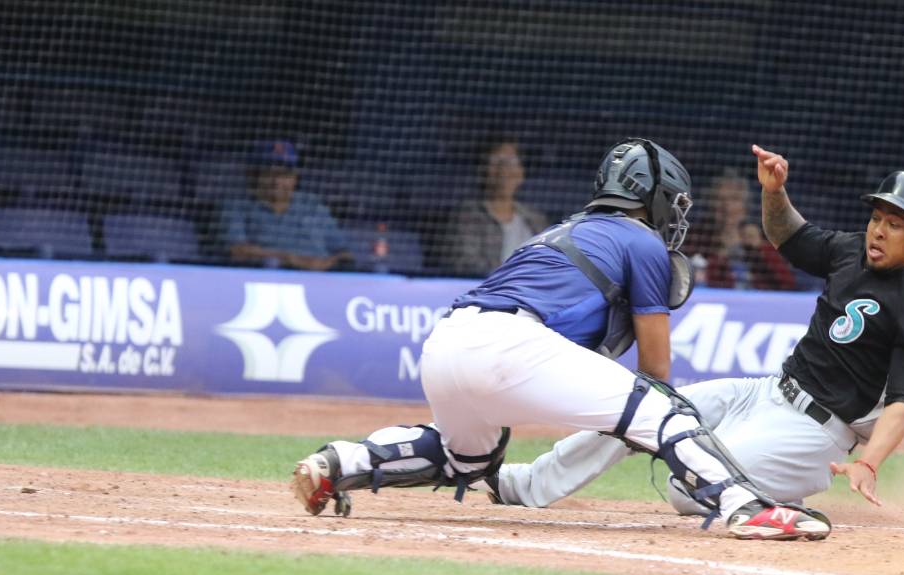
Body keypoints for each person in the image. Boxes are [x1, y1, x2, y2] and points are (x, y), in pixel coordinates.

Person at [291, 139, 832, 540]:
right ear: (652, 197)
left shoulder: (557, 230)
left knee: (467, 460)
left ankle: (341, 463)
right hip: (511, 345)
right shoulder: (642, 241)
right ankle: (746, 507)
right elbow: (657, 371)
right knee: (665, 409)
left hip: (448, 340)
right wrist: (637, 423)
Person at [485, 145, 904, 539]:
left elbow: (902, 403)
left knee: (687, 490)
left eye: (895, 223)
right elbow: (788, 235)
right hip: (766, 392)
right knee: (644, 407)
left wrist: (868, 464)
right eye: (877, 217)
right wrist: (775, 192)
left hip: (817, 433)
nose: (878, 229)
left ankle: (777, 500)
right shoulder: (850, 251)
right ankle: (525, 484)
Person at [220, 140, 353, 270]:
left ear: (295, 178)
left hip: (322, 277)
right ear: (254, 176)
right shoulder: (238, 205)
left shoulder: (312, 204)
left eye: (284, 175)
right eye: (269, 174)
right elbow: (237, 251)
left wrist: (325, 264)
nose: (277, 182)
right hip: (267, 275)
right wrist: (292, 260)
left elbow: (344, 253)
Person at [440, 136, 549, 277]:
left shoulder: (535, 219)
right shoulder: (466, 216)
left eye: (511, 162)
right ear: (482, 171)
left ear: (521, 172)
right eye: (496, 162)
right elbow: (464, 265)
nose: (504, 171)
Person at [684, 170, 796, 291]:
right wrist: (722, 255)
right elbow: (690, 280)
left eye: (734, 199)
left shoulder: (762, 235)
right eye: (719, 199)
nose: (727, 206)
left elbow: (788, 284)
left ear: (745, 206)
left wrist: (761, 247)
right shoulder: (697, 237)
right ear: (711, 205)